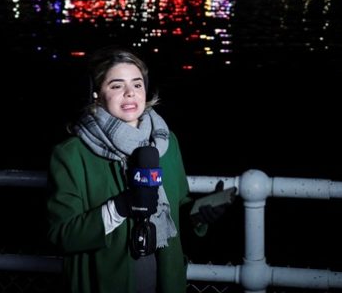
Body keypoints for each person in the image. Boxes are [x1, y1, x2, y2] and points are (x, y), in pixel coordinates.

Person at [46, 46, 233, 293]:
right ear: (96, 94)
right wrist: (121, 206)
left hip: (164, 281)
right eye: (116, 85)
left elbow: (177, 208)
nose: (130, 93)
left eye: (137, 84)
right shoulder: (71, 154)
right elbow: (62, 234)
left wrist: (200, 213)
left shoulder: (167, 143)